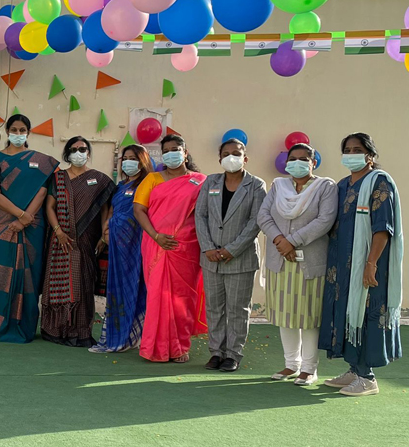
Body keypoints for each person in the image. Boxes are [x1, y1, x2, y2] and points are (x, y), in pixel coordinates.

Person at [319, 133, 403, 396]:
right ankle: (354, 369)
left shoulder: (379, 182)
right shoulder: (343, 185)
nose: (351, 153)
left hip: (368, 264)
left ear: (370, 155)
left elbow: (383, 228)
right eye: (347, 149)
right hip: (341, 267)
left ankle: (367, 377)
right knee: (345, 312)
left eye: (358, 149)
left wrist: (371, 264)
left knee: (365, 314)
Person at [257, 143, 337, 386]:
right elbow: (263, 215)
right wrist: (280, 241)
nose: (298, 162)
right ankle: (291, 364)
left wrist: (292, 241)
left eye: (304, 158)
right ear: (286, 162)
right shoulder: (278, 186)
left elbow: (325, 220)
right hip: (280, 261)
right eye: (293, 158)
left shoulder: (325, 187)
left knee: (309, 316)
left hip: (310, 262)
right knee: (285, 315)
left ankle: (309, 368)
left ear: (314, 163)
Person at [0, 114, 60, 343]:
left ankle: (24, 327)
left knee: (28, 274)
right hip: (0, 225)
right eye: (13, 129)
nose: (17, 133)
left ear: (28, 132)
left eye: (22, 129)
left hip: (32, 226)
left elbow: (43, 191)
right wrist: (20, 214)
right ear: (7, 132)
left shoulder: (42, 161)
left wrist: (26, 219)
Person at [195, 139, 267, 372]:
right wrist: (207, 247)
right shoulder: (211, 182)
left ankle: (233, 354)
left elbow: (255, 221)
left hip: (240, 257)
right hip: (211, 257)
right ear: (219, 159)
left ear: (245, 158)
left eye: (236, 153)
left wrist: (231, 249)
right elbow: (200, 216)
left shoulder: (256, 185)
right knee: (214, 307)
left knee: (238, 308)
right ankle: (216, 352)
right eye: (226, 154)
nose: (231, 157)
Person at [133, 134, 207, 363]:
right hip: (156, 245)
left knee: (183, 297)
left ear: (185, 152)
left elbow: (205, 214)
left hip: (187, 246)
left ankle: (180, 347)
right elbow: (138, 210)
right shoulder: (152, 179)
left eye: (176, 149)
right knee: (157, 296)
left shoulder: (201, 180)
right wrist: (156, 236)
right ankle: (154, 347)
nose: (171, 153)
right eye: (166, 150)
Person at [41, 137, 115, 346]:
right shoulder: (59, 178)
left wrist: (103, 235)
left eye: (82, 149)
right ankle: (54, 330)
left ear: (88, 152)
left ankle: (81, 332)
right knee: (57, 285)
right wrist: (58, 231)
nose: (78, 153)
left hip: (86, 241)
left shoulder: (99, 179)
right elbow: (49, 207)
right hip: (60, 242)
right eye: (73, 149)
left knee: (82, 284)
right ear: (67, 154)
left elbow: (104, 208)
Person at [92, 144, 152, 353]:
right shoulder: (120, 186)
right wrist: (105, 232)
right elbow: (113, 210)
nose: (128, 162)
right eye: (125, 158)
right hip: (117, 246)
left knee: (135, 286)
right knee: (116, 288)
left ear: (142, 161)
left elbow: (144, 214)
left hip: (135, 247)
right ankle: (118, 335)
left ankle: (133, 335)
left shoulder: (147, 184)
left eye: (133, 158)